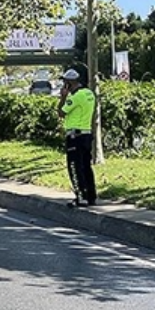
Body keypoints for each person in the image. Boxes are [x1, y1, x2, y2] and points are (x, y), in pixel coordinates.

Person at [58, 68, 97, 207]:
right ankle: (91, 196)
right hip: (86, 134)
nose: (63, 86)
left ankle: (81, 196)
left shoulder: (75, 97)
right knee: (86, 166)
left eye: (65, 83)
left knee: (74, 166)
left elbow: (61, 112)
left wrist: (63, 97)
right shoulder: (89, 94)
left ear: (69, 83)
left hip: (75, 136)